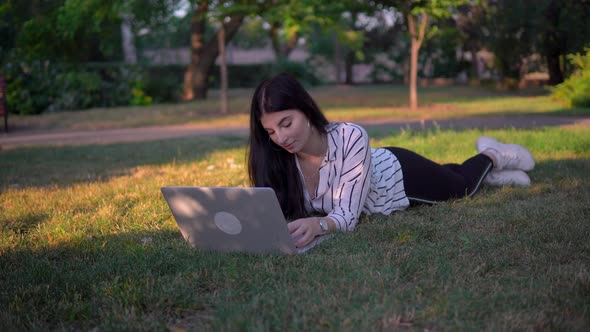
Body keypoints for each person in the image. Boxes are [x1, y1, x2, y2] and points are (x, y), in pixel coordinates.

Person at [247, 73, 535, 249]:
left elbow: (347, 217)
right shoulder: (278, 158)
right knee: (450, 174)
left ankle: (492, 155)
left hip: (397, 175)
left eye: (286, 123)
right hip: (374, 174)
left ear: (306, 111)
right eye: (271, 131)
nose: (280, 138)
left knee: (462, 186)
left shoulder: (350, 136)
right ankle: (493, 175)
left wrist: (320, 225)